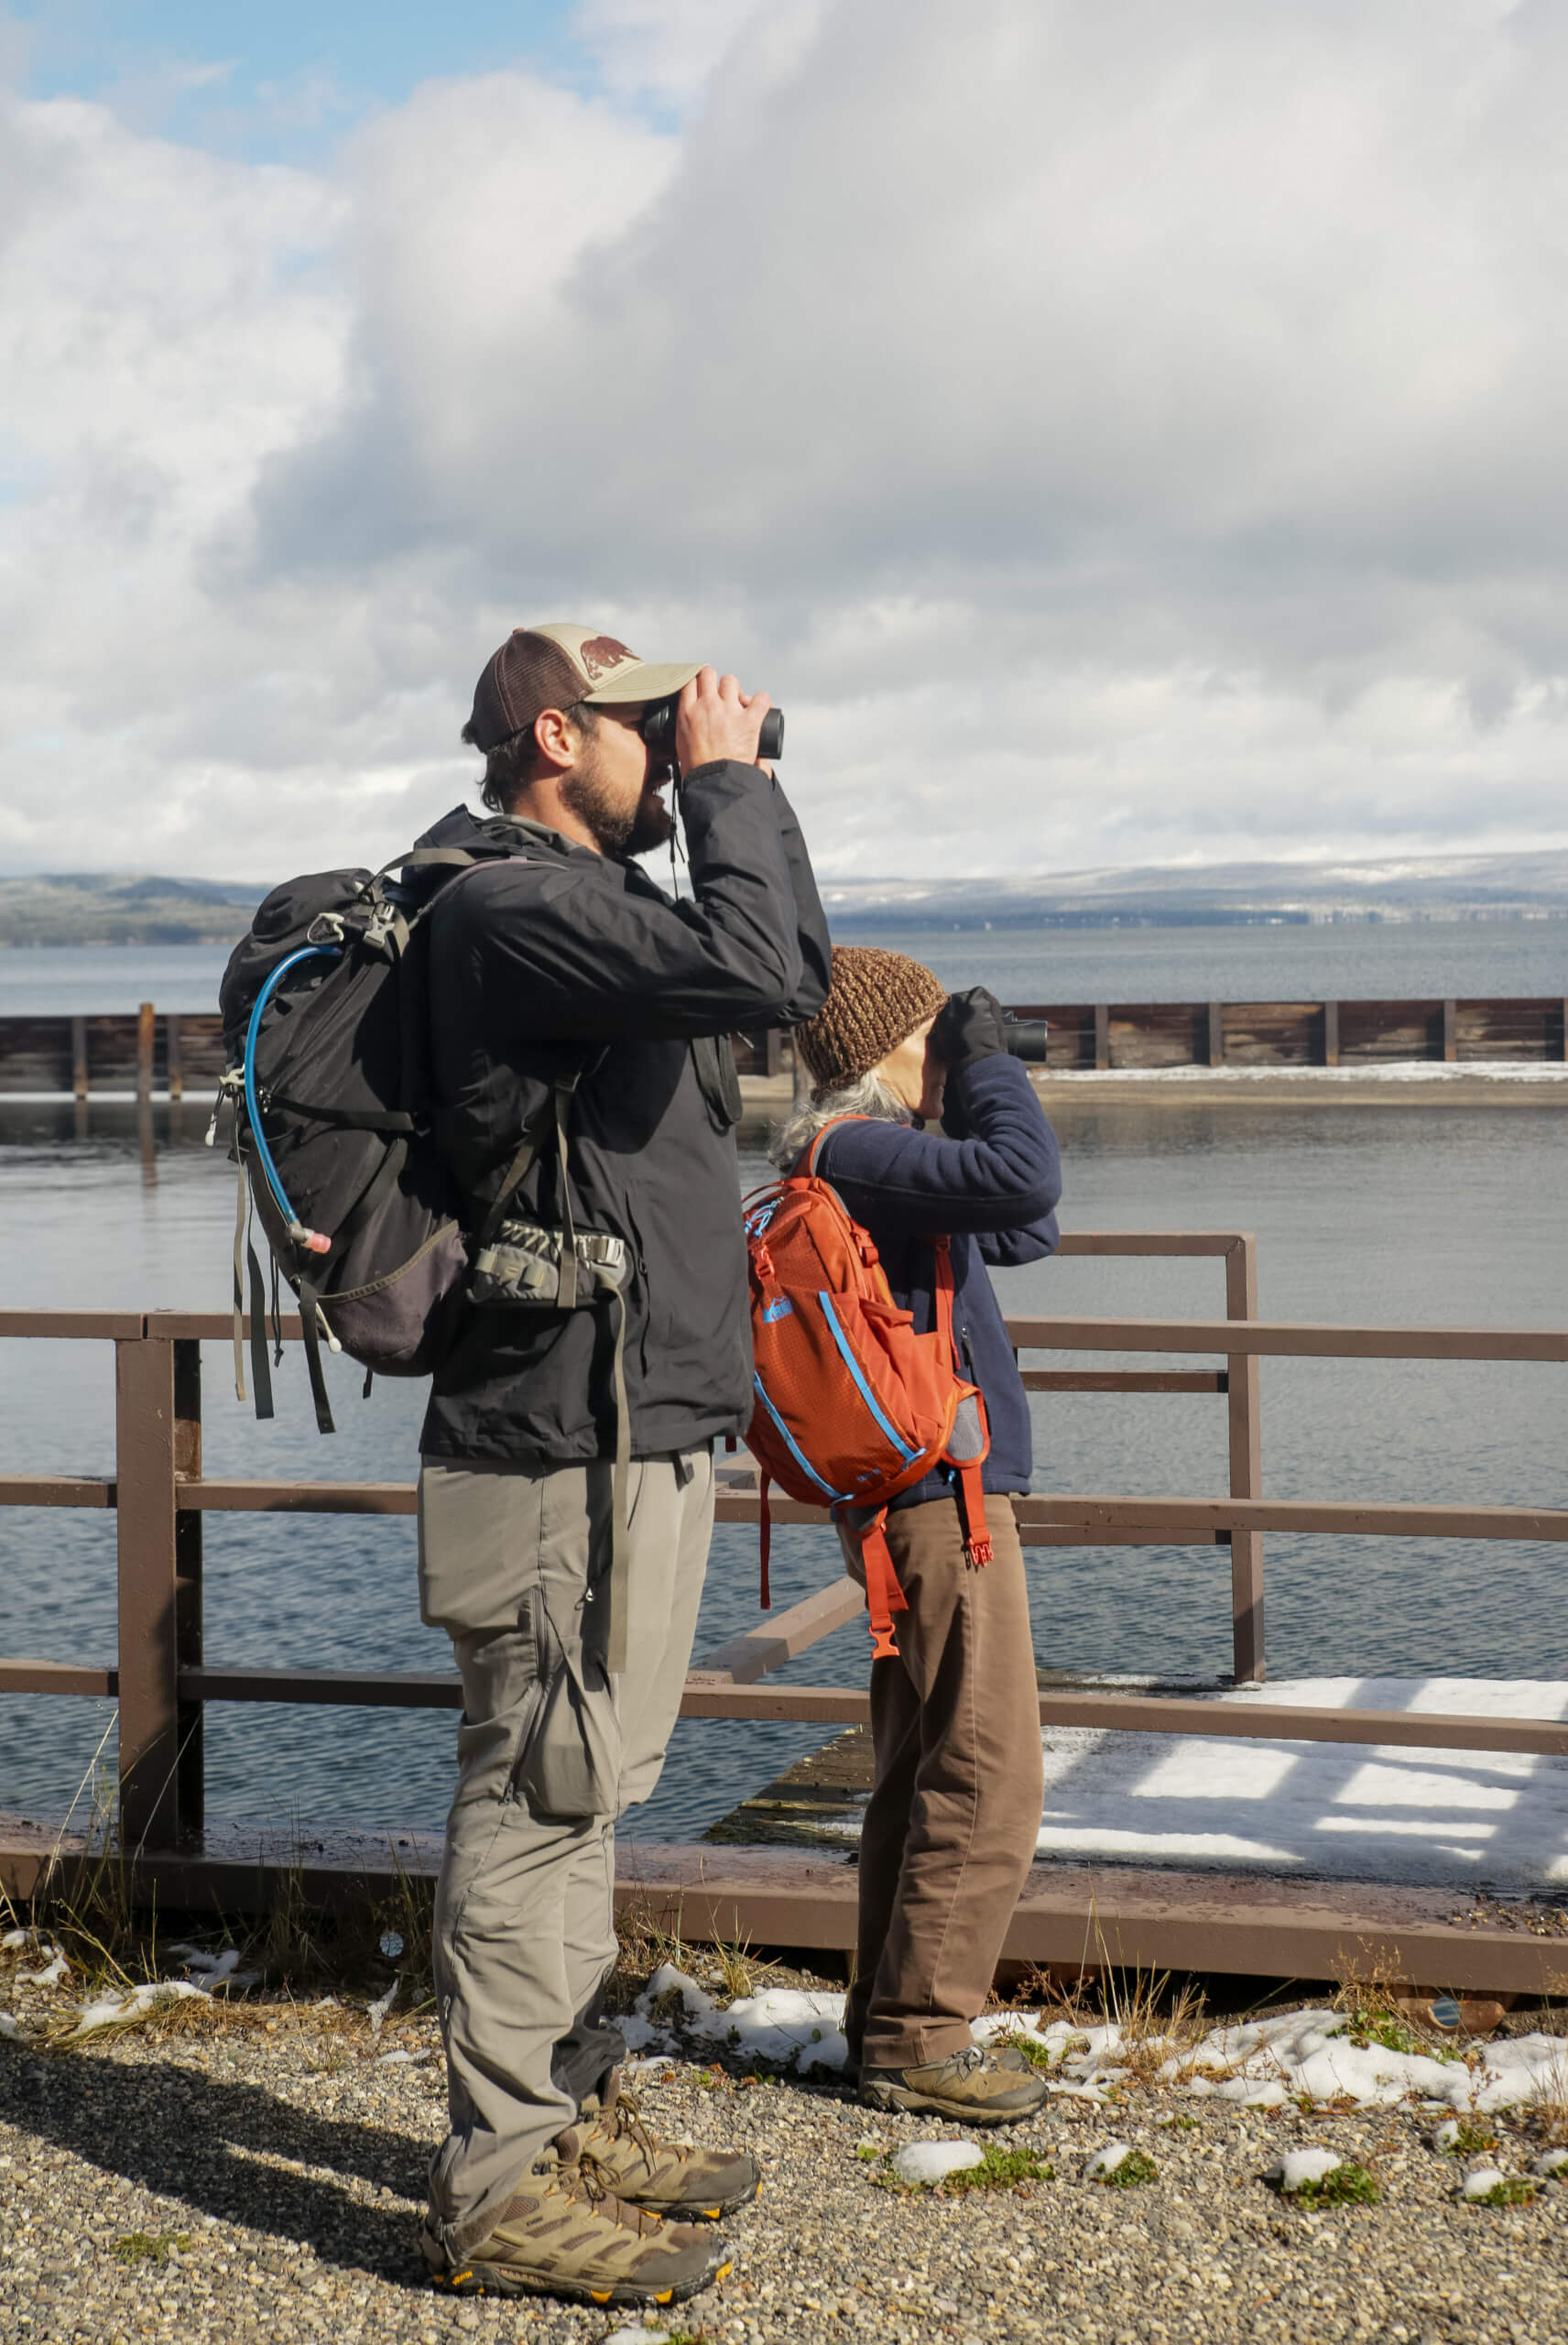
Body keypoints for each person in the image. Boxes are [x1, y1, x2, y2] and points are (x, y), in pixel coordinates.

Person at [414, 624, 830, 2307]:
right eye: (649, 728)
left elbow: (768, 969)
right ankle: (496, 2185)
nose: (675, 747)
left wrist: (720, 790)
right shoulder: (507, 906)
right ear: (554, 733)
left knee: (595, 1786)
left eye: (687, 728)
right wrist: (731, 780)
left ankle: (559, 2112)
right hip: (551, 1443)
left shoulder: (596, 911)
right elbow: (771, 977)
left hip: (632, 1422)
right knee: (531, 1793)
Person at [775, 945, 1061, 2124]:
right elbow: (1025, 1179)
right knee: (990, 1772)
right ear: (888, 1045)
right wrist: (990, 1067)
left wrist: (978, 1085)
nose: (951, 1047)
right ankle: (920, 2038)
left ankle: (886, 2020)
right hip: (944, 1509)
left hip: (929, 1507)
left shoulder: (885, 1168)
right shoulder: (852, 1149)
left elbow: (1024, 1225)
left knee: (921, 1766)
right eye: (935, 1030)